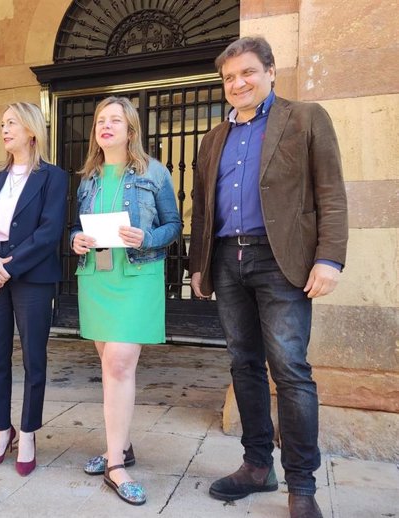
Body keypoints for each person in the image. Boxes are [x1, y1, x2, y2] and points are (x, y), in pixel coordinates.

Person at [189, 37, 348, 518]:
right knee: (243, 366)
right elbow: (203, 207)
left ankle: (302, 487)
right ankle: (257, 465)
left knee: (291, 371)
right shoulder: (214, 138)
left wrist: (330, 259)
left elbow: (331, 194)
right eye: (229, 77)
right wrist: (199, 264)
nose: (238, 83)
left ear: (271, 72)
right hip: (226, 260)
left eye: (248, 73)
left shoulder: (305, 119)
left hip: (281, 262)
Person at [71, 96, 181, 505]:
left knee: (118, 362)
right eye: (101, 120)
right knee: (109, 363)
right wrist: (74, 240)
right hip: (97, 279)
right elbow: (76, 229)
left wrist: (147, 237)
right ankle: (123, 446)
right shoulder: (89, 178)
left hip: (136, 277)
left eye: (115, 120)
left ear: (130, 129)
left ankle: (115, 465)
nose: (106, 126)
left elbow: (173, 224)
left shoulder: (154, 171)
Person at [0, 102, 67, 477]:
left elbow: (49, 230)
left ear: (31, 130)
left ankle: (27, 433)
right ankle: (1, 429)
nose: (4, 128)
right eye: (3, 122)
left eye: (11, 123)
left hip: (32, 275)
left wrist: (10, 267)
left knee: (33, 359)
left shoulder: (52, 177)